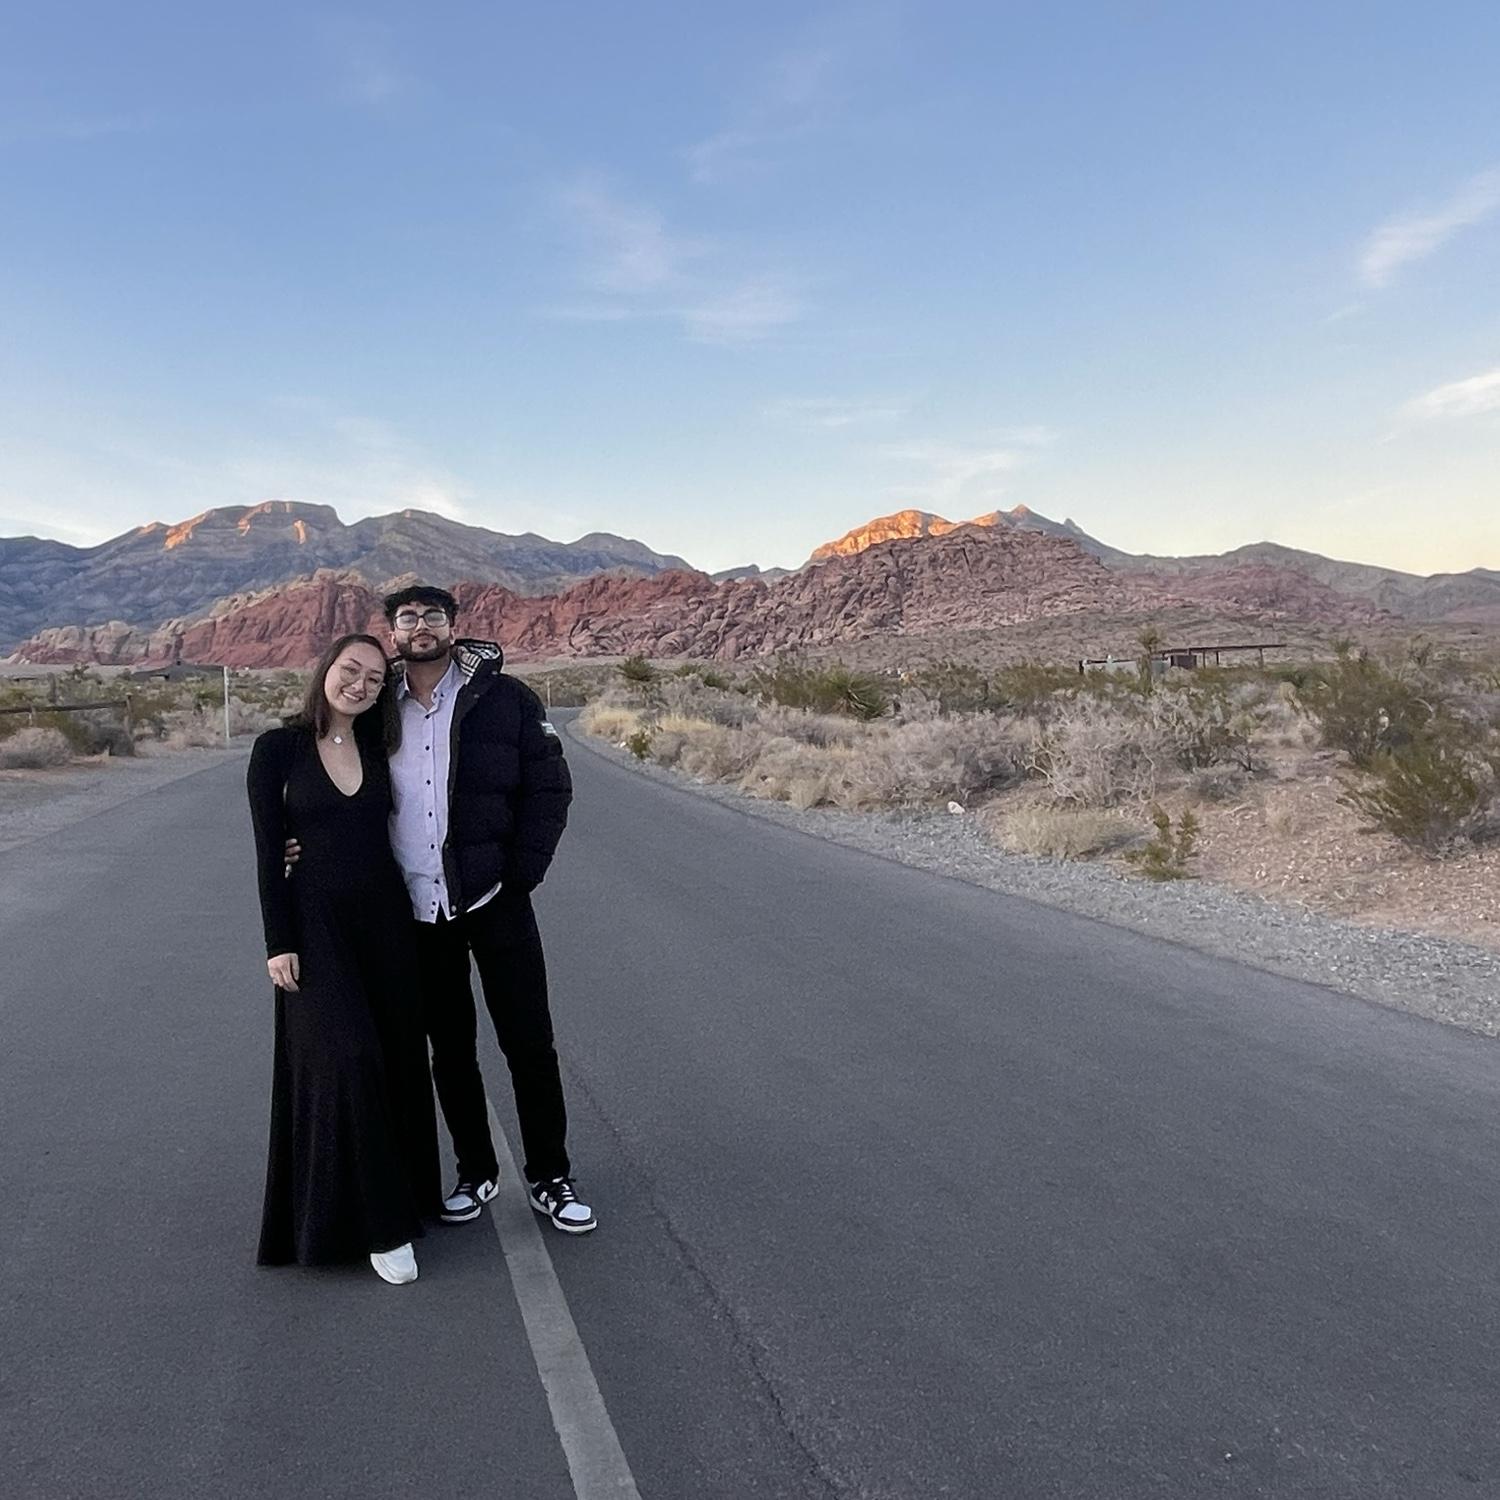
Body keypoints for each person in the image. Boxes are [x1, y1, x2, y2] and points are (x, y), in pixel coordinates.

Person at [286, 586, 593, 1234]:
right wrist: (297, 838)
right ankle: (476, 1170)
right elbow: (328, 772)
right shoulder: (377, 708)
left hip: (495, 900)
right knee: (450, 1050)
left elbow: (550, 786)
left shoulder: (506, 699)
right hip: (417, 910)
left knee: (529, 1043)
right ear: (392, 631)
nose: (420, 626)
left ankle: (550, 1175)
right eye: (408, 617)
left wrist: (521, 874)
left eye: (432, 615)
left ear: (453, 625)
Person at [247, 634, 441, 1284]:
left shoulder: (383, 748)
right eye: (349, 669)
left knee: (397, 1062)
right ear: (325, 669)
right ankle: (382, 1229)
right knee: (347, 1059)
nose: (358, 684)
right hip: (315, 927)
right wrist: (278, 941)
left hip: (386, 925)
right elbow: (268, 853)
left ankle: (406, 1197)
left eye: (374, 678)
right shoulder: (277, 749)